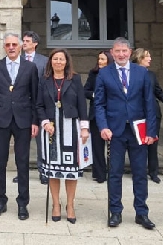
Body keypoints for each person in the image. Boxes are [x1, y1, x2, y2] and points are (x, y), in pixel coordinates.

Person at [94, 37, 157, 230]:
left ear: (130, 52)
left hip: (138, 131)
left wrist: (151, 131)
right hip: (115, 131)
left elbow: (149, 103)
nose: (121, 54)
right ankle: (115, 211)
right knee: (115, 173)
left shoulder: (142, 72)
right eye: (117, 51)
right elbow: (99, 104)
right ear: (112, 53)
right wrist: (103, 126)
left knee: (140, 173)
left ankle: (141, 212)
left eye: (124, 51)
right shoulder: (104, 74)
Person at [0, 32, 39, 221]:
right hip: (0, 120)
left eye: (14, 44)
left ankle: (22, 202)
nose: (11, 47)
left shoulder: (30, 67)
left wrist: (35, 121)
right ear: (4, 47)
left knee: (22, 162)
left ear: (20, 47)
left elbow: (35, 96)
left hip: (23, 120)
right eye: (8, 44)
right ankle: (0, 200)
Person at [37, 48, 89, 224]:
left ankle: (70, 205)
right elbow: (38, 105)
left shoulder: (74, 79)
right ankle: (56, 205)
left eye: (61, 59)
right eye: (55, 59)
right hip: (50, 129)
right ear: (50, 61)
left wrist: (84, 128)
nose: (58, 62)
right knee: (53, 170)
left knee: (71, 171)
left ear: (67, 62)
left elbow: (82, 103)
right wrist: (44, 122)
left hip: (70, 128)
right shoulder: (44, 80)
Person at [132, 48, 163, 184]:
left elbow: (158, 91)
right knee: (138, 144)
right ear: (140, 58)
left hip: (153, 113)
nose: (150, 59)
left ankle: (153, 172)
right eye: (147, 56)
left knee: (152, 143)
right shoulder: (131, 73)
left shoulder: (151, 75)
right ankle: (138, 171)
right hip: (137, 113)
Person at [22, 30, 49, 184]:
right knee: (23, 141)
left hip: (38, 103)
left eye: (27, 41)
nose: (24, 43)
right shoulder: (18, 59)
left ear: (35, 43)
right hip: (22, 104)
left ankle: (43, 171)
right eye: (23, 41)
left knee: (41, 141)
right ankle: (22, 172)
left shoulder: (44, 61)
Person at [83, 50, 113, 183]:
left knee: (113, 146)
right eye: (99, 59)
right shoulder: (93, 74)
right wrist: (95, 95)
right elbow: (85, 90)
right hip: (96, 114)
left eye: (102, 59)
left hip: (111, 113)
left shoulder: (114, 74)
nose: (100, 61)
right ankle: (100, 173)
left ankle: (113, 172)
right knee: (97, 145)